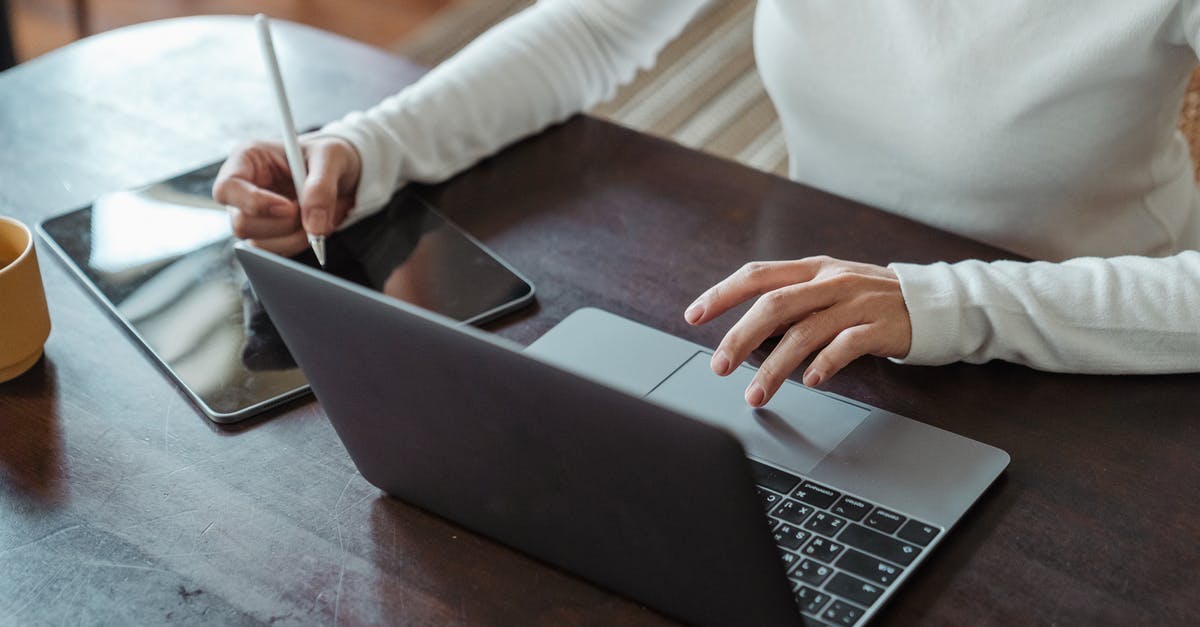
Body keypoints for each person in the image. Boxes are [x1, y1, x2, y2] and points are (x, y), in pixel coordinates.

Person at [214, 0, 1200, 408]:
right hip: (820, 324)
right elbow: (595, 27)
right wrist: (366, 146)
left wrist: (941, 305)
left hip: (1098, 351)